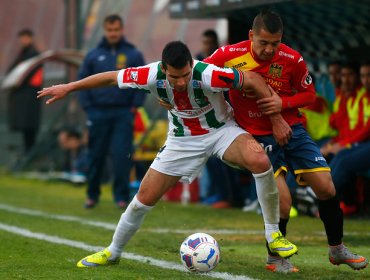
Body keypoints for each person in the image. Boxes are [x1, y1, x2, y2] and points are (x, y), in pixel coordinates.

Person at [37, 40, 298, 268]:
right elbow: (109, 77)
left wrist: (275, 119)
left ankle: (273, 234)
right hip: (182, 140)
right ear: (164, 69)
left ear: (190, 66)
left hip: (221, 131)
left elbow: (251, 79)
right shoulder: (149, 75)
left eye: (185, 74)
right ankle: (112, 252)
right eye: (175, 77)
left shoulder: (207, 74)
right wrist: (69, 87)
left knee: (260, 160)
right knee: (142, 199)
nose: (182, 81)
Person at [203, 10, 368, 272]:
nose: (269, 49)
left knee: (326, 187)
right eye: (263, 42)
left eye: (275, 43)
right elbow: (199, 73)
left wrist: (284, 102)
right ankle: (275, 259)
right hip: (256, 134)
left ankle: (337, 249)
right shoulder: (227, 55)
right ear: (251, 36)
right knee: (283, 200)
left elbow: (309, 95)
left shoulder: (292, 59)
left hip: (293, 129)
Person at [78, 14, 146, 209]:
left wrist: (135, 106)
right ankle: (92, 195)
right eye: (110, 30)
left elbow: (143, 80)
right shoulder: (93, 55)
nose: (113, 33)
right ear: (105, 30)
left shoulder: (133, 54)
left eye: (116, 30)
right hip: (97, 113)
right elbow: (82, 82)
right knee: (95, 155)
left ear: (121, 29)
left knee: (121, 156)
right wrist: (89, 108)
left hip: (123, 114)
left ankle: (121, 197)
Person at [328, 62, 370, 211]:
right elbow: (337, 124)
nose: (366, 79)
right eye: (363, 75)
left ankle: (326, 197)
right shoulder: (356, 96)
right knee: (339, 155)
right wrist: (337, 143)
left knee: (344, 158)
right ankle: (322, 194)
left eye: (368, 75)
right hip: (358, 142)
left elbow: (365, 129)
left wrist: (344, 143)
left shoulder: (359, 96)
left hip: (363, 142)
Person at [6, 29, 43, 153]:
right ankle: (27, 154)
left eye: (25, 37)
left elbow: (25, 75)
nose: (23, 40)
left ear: (31, 38)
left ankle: (30, 154)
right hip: (23, 98)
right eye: (21, 38)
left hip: (30, 98)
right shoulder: (22, 55)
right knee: (25, 129)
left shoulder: (34, 55)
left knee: (30, 129)